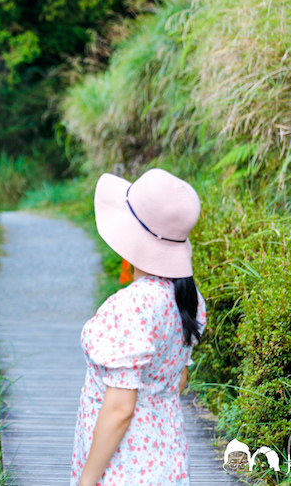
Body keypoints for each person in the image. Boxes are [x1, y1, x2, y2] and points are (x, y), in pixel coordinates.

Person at [71, 168, 207, 486]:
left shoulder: (129, 307)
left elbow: (120, 409)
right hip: (166, 455)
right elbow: (178, 380)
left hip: (121, 464)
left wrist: (86, 480)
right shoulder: (189, 298)